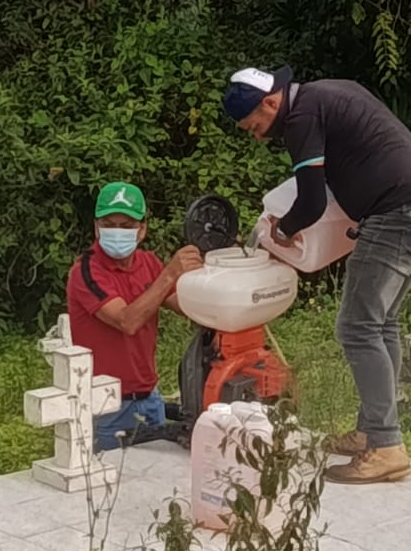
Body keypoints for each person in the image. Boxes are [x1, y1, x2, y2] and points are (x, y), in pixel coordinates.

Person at [224, 66, 411, 484]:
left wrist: (283, 230)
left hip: (394, 211)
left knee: (358, 327)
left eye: (255, 126)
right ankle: (372, 430)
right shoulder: (328, 91)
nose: (257, 137)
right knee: (381, 323)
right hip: (402, 204)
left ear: (270, 102)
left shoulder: (301, 116)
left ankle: (386, 446)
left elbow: (310, 201)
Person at [66, 182, 202, 452]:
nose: (117, 231)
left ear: (142, 229)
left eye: (127, 225)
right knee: (113, 477)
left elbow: (189, 307)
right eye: (109, 224)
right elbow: (127, 321)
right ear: (96, 228)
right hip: (107, 405)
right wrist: (170, 274)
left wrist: (215, 280)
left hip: (150, 398)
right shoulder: (86, 271)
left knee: (158, 474)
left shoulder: (148, 263)